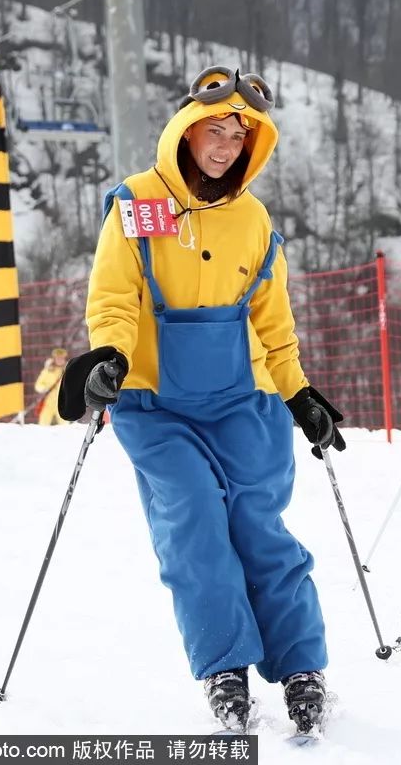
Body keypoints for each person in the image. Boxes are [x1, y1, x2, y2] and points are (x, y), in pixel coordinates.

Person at [58, 66, 345, 734]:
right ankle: (225, 666)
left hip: (245, 401)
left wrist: (298, 392)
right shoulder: (135, 202)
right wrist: (109, 356)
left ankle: (301, 668)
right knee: (193, 522)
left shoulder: (253, 218)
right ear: (186, 130)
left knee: (258, 527)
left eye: (238, 137)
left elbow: (273, 320)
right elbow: (113, 296)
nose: (224, 146)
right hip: (154, 403)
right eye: (214, 131)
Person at [33, 347, 69, 425]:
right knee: (43, 424)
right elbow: (38, 385)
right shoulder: (47, 371)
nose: (59, 360)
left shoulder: (68, 371)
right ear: (54, 359)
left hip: (62, 402)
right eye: (58, 358)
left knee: (65, 426)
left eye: (61, 358)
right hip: (48, 402)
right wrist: (43, 388)